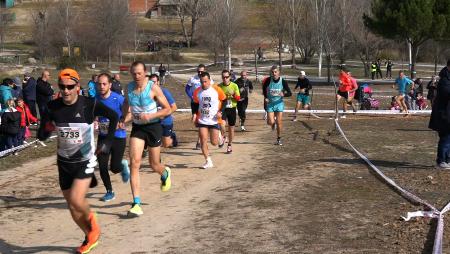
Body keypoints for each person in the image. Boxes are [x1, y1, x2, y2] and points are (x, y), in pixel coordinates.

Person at [37, 68, 119, 253]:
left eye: (70, 87)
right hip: (64, 162)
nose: (65, 91)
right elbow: (42, 135)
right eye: (62, 87)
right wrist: (46, 129)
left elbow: (114, 117)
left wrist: (107, 142)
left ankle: (92, 221)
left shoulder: (89, 104)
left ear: (78, 86)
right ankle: (89, 236)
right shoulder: (52, 106)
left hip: (85, 159)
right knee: (72, 208)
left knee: (76, 199)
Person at [122, 61, 172, 217]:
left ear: (145, 73)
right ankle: (136, 203)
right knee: (134, 163)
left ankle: (165, 173)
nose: (136, 76)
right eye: (133, 73)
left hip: (154, 127)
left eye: (139, 73)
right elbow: (126, 104)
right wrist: (122, 119)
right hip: (138, 128)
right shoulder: (129, 88)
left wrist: (151, 115)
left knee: (153, 164)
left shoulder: (153, 88)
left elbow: (168, 109)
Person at [95, 73, 130, 202]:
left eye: (104, 84)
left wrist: (123, 120)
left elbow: (129, 111)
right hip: (104, 137)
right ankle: (109, 191)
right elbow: (93, 114)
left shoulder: (118, 99)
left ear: (110, 85)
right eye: (99, 84)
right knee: (102, 165)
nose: (101, 86)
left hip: (118, 137)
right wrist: (94, 120)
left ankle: (123, 166)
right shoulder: (96, 99)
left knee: (114, 168)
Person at [192, 72, 226, 168]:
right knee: (203, 140)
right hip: (202, 120)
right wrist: (194, 113)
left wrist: (221, 111)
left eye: (205, 82)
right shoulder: (197, 91)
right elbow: (194, 103)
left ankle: (220, 137)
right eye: (202, 82)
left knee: (214, 143)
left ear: (210, 80)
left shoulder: (216, 89)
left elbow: (224, 100)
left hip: (214, 120)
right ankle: (208, 161)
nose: (204, 84)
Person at [185, 64, 213, 149]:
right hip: (195, 102)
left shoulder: (209, 79)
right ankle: (202, 138)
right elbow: (187, 89)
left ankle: (199, 141)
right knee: (196, 120)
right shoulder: (193, 79)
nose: (200, 72)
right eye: (198, 71)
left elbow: (213, 90)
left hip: (204, 102)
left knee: (202, 121)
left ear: (205, 71)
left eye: (202, 71)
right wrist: (192, 96)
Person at [262, 65, 292, 146]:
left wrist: (283, 94)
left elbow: (290, 93)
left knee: (279, 122)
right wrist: (266, 97)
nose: (274, 73)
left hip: (279, 103)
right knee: (270, 122)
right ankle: (272, 124)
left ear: (279, 72)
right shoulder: (268, 80)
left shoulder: (283, 81)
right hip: (270, 104)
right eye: (272, 72)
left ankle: (279, 139)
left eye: (275, 72)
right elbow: (264, 89)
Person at [429, 60, 450, 169]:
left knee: (448, 138)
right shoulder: (444, 80)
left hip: (447, 112)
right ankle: (441, 160)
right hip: (444, 114)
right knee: (445, 137)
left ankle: (447, 159)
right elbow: (447, 93)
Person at [148, 74, 178, 148]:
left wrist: (163, 115)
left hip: (166, 121)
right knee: (154, 144)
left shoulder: (164, 92)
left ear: (158, 82)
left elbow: (174, 107)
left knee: (166, 144)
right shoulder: (147, 94)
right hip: (154, 122)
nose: (152, 84)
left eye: (154, 82)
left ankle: (172, 137)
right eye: (150, 82)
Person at [218, 70, 240, 153]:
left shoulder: (234, 85)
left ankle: (230, 145)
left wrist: (233, 94)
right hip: (223, 109)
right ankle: (224, 136)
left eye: (227, 77)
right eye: (223, 77)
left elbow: (238, 98)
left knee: (231, 128)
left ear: (230, 77)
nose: (225, 79)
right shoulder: (219, 86)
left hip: (232, 108)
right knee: (222, 124)